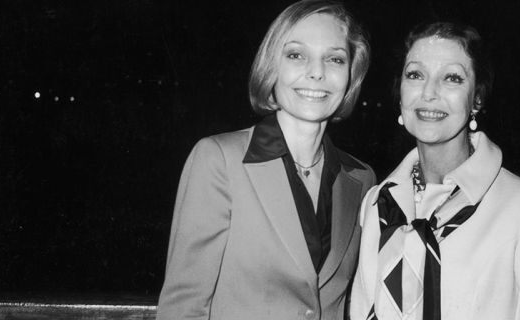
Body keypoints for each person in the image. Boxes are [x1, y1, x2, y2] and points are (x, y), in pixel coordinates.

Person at [350, 22, 520, 319]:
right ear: (400, 94)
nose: (429, 93)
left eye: (452, 78)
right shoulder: (377, 204)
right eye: (415, 75)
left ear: (476, 98)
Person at [156, 1, 375, 319]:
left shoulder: (362, 178)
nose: (316, 72)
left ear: (350, 74)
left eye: (335, 59)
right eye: (296, 55)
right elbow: (183, 307)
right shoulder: (220, 161)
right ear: (272, 66)